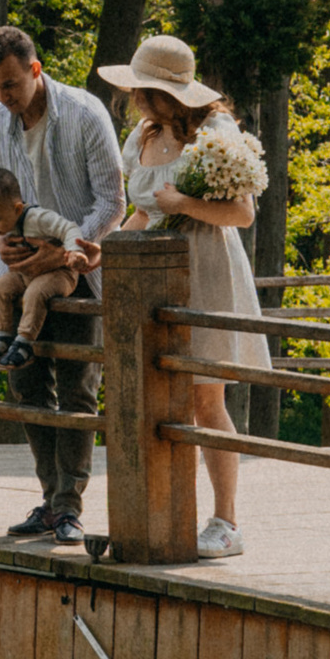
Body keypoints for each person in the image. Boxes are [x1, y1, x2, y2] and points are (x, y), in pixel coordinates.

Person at [99, 32, 268, 561]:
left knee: (204, 397)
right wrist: (107, 250)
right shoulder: (142, 139)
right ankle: (165, 511)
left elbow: (241, 214)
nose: (136, 100)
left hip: (207, 269)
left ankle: (227, 521)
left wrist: (187, 202)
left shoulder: (215, 132)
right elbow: (146, 211)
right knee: (159, 396)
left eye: (143, 91)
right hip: (153, 274)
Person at [0, 23, 125, 545]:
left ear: (35, 70)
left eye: (10, 85)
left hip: (78, 272)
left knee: (78, 391)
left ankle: (68, 507)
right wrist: (2, 243)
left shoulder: (85, 115)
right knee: (27, 388)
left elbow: (111, 201)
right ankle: (48, 497)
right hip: (16, 276)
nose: (2, 97)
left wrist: (66, 249)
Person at [0, 165, 90, 360]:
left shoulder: (38, 218)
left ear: (17, 209)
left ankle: (25, 341)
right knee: (0, 287)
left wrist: (74, 251)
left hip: (59, 274)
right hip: (26, 274)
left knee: (35, 293)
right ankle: (1, 336)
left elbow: (69, 228)